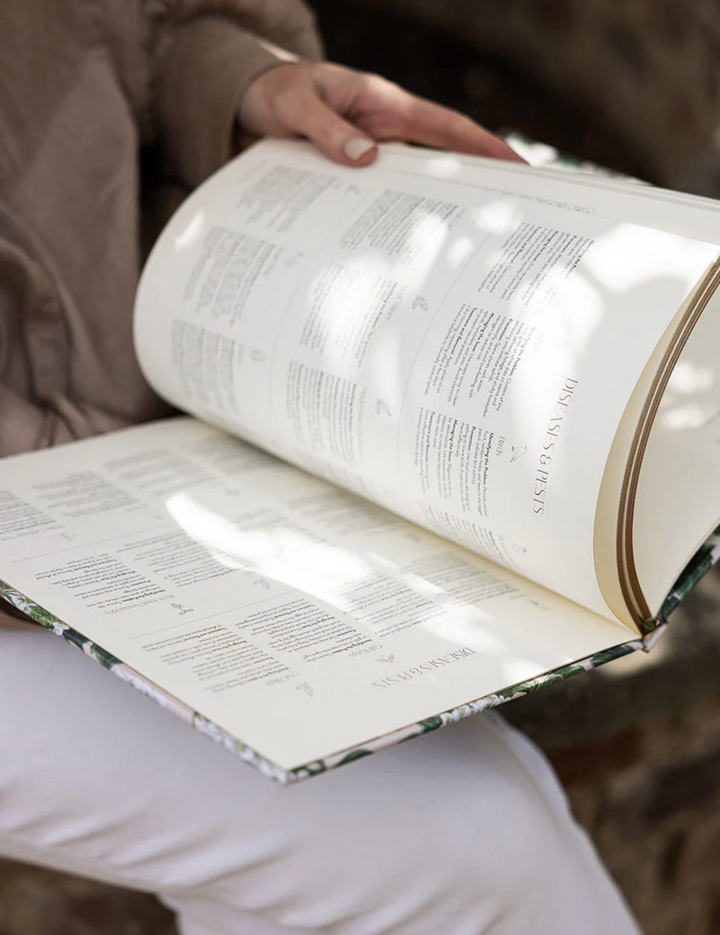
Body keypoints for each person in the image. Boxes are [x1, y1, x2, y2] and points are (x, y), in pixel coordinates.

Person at [0, 2, 642, 933]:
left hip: (139, 435)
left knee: (454, 824)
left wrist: (233, 81)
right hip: (69, 516)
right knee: (464, 839)